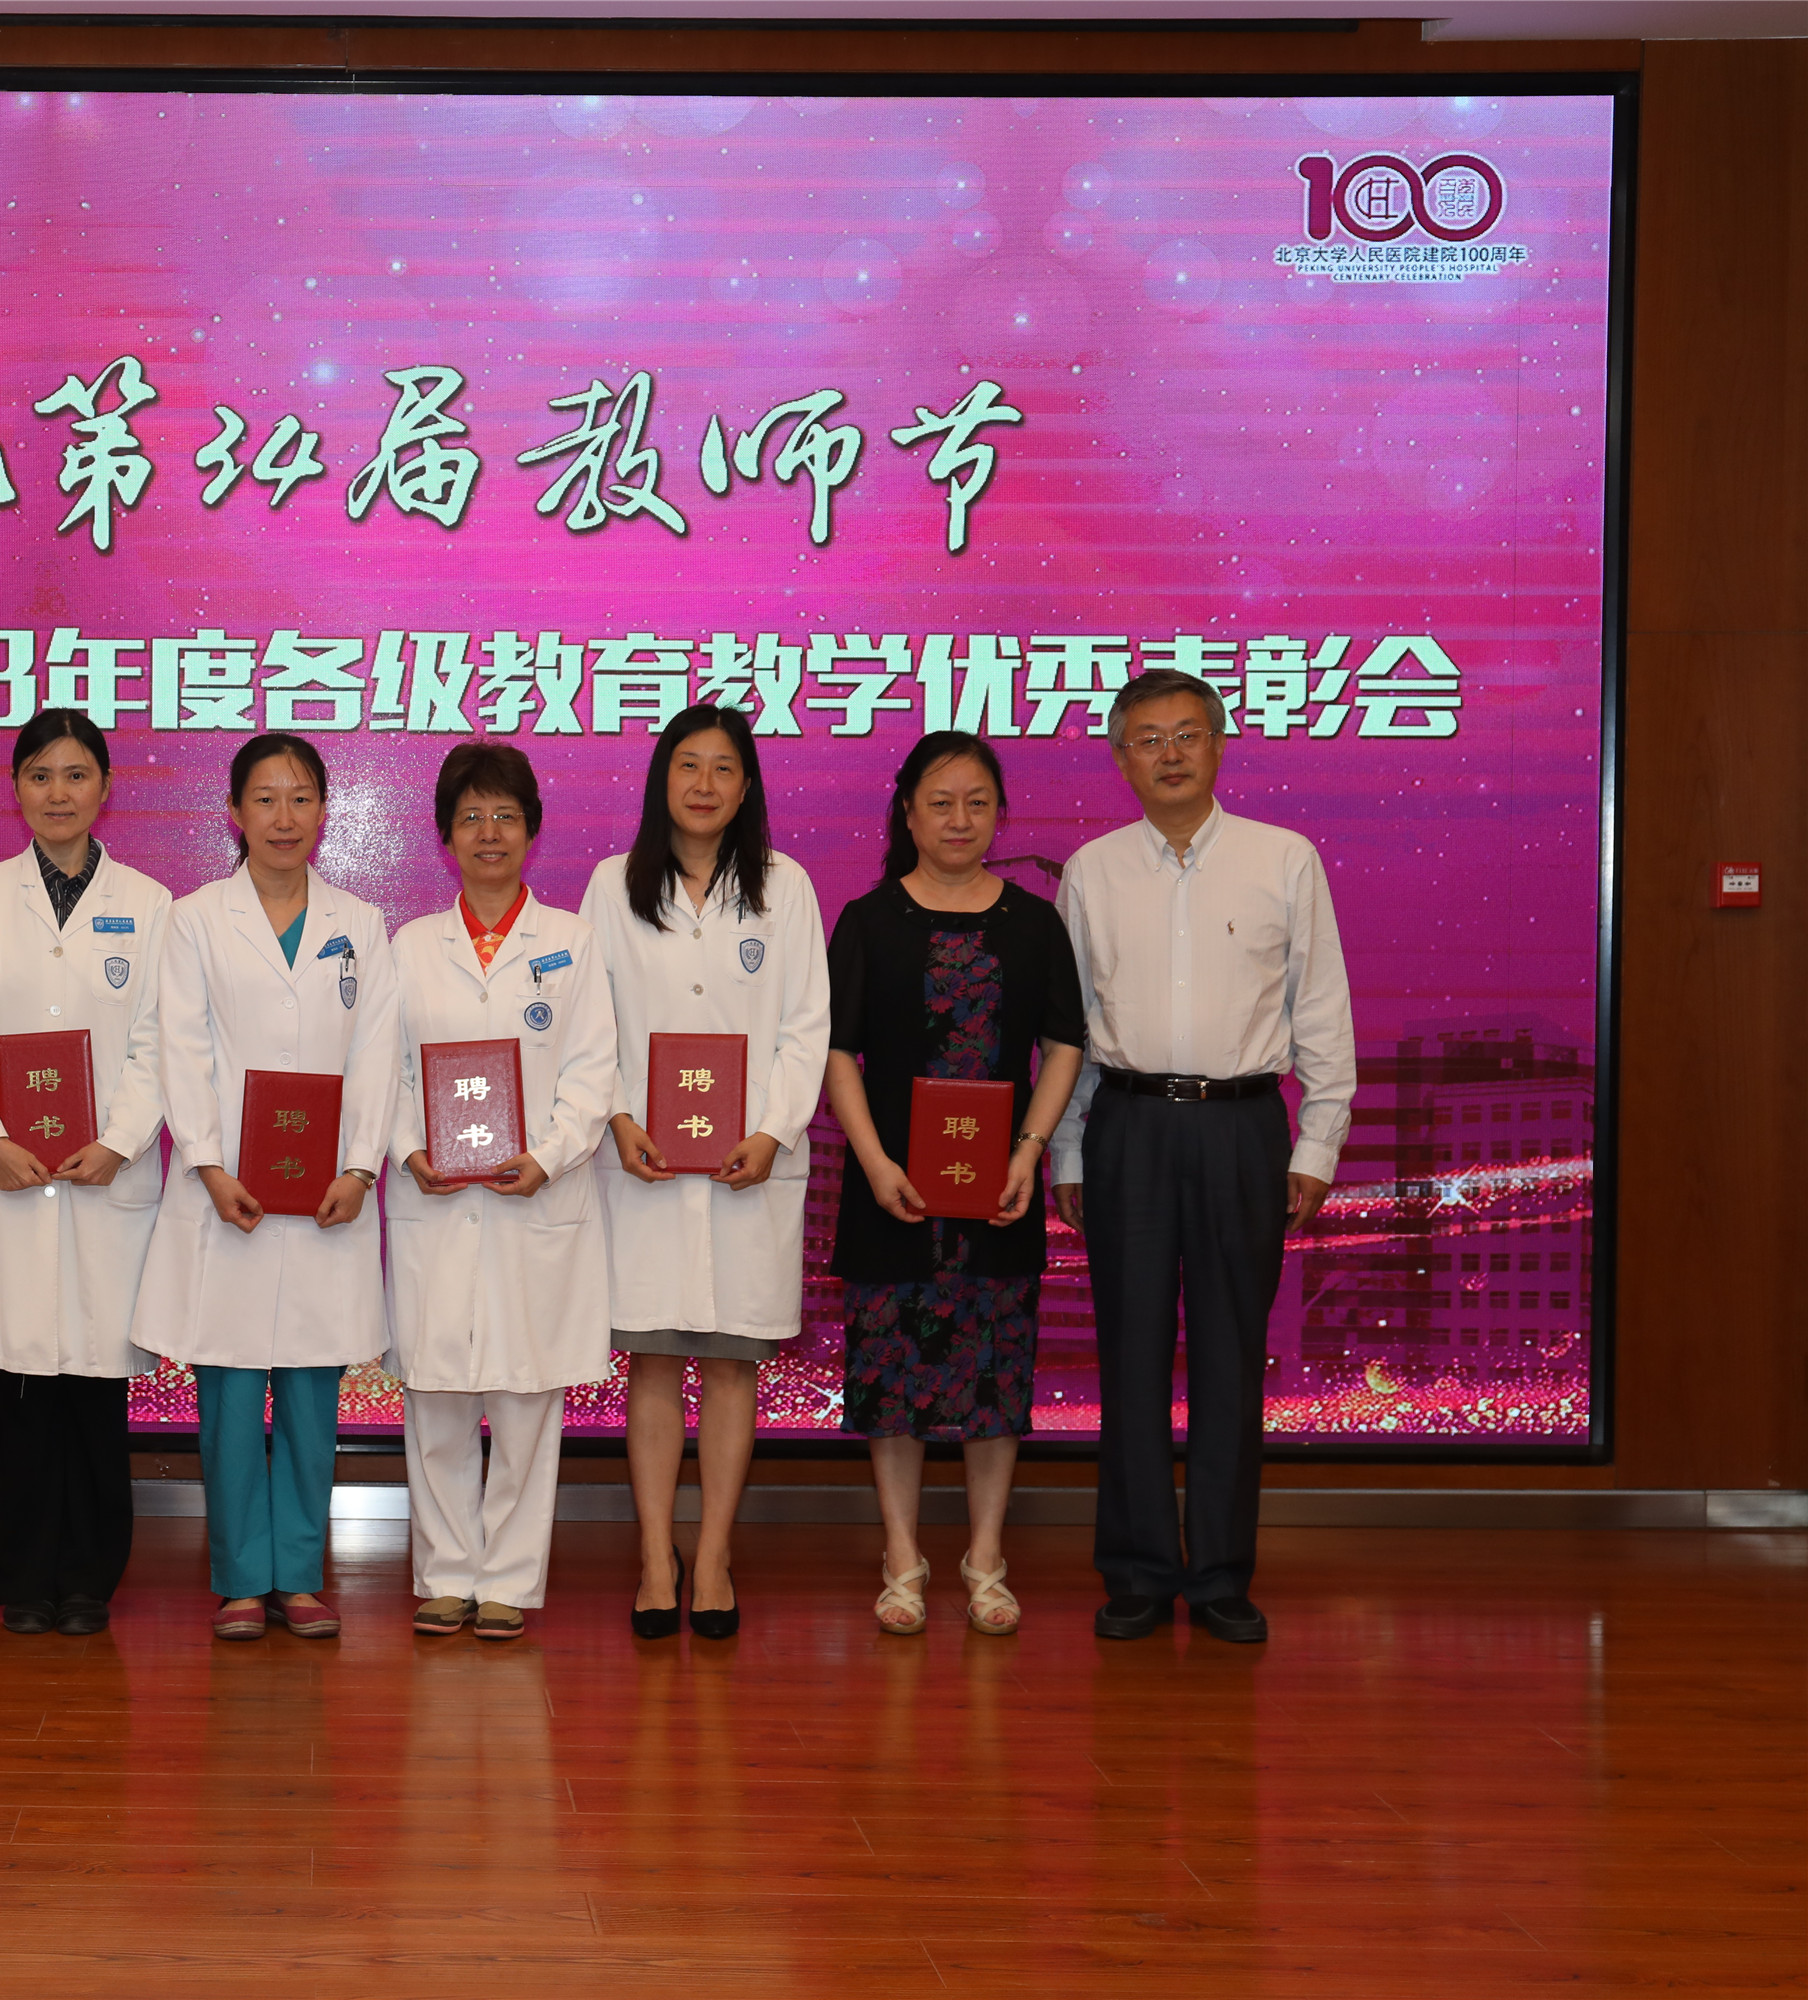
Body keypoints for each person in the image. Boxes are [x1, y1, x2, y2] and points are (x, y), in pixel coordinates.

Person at [1049, 668, 1353, 1646]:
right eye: (1148, 738)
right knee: (1130, 1353)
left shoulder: (1283, 858)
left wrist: (1319, 1140)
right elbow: (1071, 1025)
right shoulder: (1092, 870)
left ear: (1220, 745)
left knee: (1230, 1354)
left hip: (1242, 1128)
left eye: (1187, 733)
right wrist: (1067, 1149)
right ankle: (1138, 1568)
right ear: (1120, 758)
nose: (1170, 753)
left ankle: (1221, 1571)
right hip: (1127, 1126)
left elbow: (1321, 1009)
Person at [135, 733, 401, 1642]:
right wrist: (209, 1163)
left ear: (325, 810)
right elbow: (182, 1048)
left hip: (327, 1198)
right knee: (231, 1393)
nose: (284, 818)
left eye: (300, 798)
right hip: (229, 1197)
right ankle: (242, 1579)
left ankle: (300, 1575)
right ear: (234, 813)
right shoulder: (195, 920)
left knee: (312, 1401)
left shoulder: (361, 924)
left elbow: (377, 1055)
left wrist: (359, 1165)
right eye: (265, 799)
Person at [821, 732, 1085, 1638]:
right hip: (892, 1190)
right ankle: (901, 1558)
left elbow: (1064, 1043)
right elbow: (837, 1052)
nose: (959, 820)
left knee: (993, 1382)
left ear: (999, 814)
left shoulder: (1034, 923)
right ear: (908, 813)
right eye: (940, 802)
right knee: (892, 1381)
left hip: (997, 1192)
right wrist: (874, 1162)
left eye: (977, 803)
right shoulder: (868, 920)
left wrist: (1029, 1151)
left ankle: (985, 1559)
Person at [579, 703, 829, 1641]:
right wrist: (616, 1114)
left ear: (747, 786)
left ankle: (714, 1555)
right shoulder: (614, 885)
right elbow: (591, 1020)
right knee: (651, 1362)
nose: (705, 784)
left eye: (724, 768)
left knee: (731, 1366)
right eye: (688, 765)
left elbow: (806, 1025)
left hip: (744, 1169)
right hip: (645, 1163)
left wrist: (772, 1131)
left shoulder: (784, 887)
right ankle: (656, 1556)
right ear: (662, 779)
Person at [0, 709, 172, 1637]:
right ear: (16, 789)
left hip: (105, 1176)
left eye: (76, 775)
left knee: (97, 1389)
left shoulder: (150, 903)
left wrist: (122, 1139)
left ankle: (90, 1580)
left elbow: (160, 1042)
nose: (58, 793)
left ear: (105, 787)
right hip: (12, 1175)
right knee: (25, 1389)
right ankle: (25, 1581)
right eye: (40, 775)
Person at [385, 742, 618, 1643]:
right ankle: (447, 1575)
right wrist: (411, 1150)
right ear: (446, 835)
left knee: (526, 1400)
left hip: (535, 1203)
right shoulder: (411, 947)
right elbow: (388, 1074)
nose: (490, 833)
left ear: (532, 831)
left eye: (506, 817)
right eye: (472, 817)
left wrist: (549, 1157)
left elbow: (592, 1073)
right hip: (438, 1202)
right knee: (438, 1395)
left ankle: (510, 1582)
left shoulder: (572, 942)